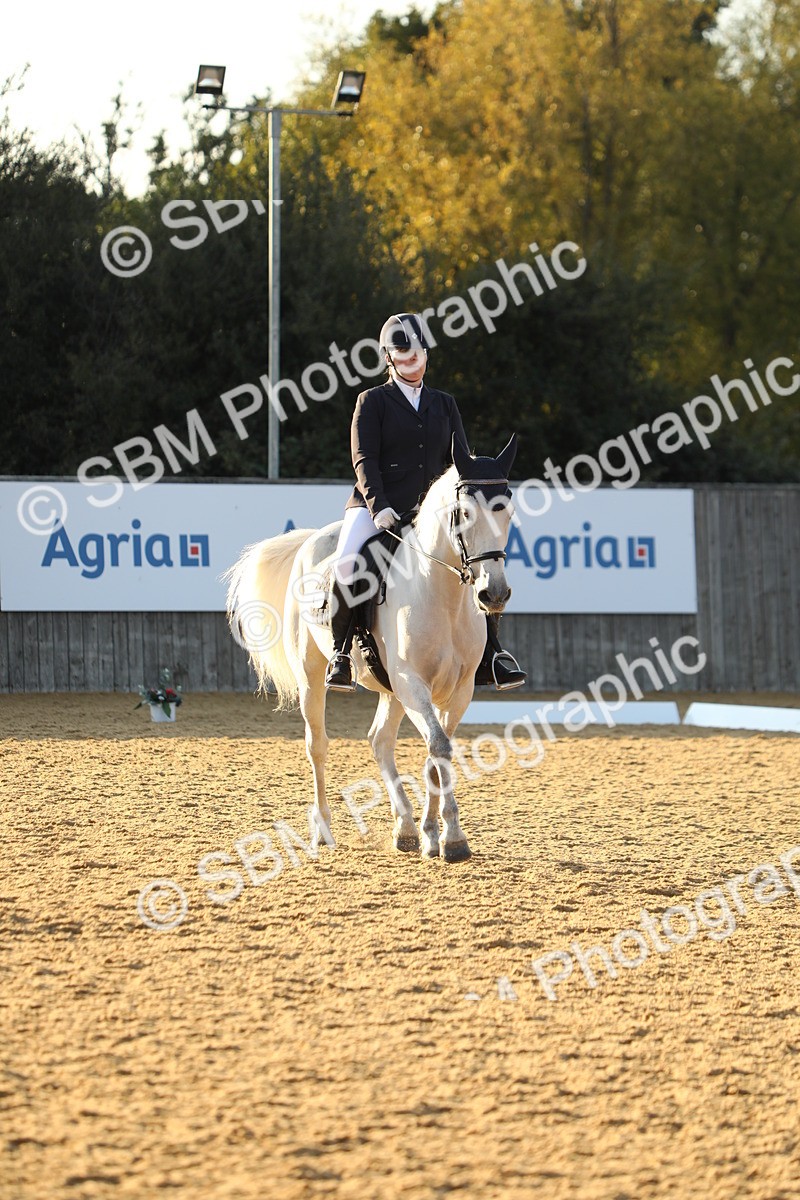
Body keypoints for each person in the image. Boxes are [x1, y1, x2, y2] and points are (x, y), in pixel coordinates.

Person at [324, 312, 526, 693]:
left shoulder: (445, 403)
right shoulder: (372, 401)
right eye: (403, 351)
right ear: (389, 357)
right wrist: (378, 505)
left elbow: (460, 460)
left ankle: (490, 655)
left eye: (418, 350)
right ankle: (341, 654)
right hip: (377, 507)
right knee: (350, 563)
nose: (412, 357)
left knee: (478, 562)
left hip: (431, 512)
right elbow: (363, 459)